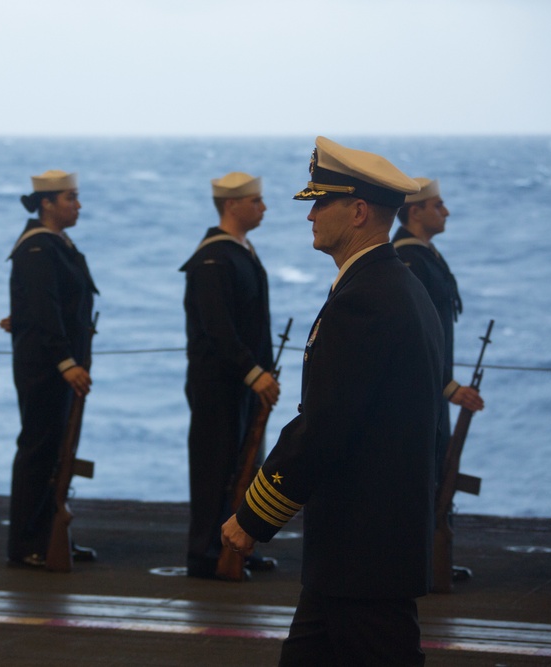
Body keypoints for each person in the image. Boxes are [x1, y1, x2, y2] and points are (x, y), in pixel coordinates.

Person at [222, 137, 445, 666]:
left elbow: (325, 423)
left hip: (363, 551)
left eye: (322, 203)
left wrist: (253, 514)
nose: (311, 215)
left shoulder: (365, 298)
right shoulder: (399, 286)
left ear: (360, 211)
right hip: (358, 551)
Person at [180, 172, 279, 580]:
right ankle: (205, 551)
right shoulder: (213, 258)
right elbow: (218, 329)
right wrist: (254, 372)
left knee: (244, 466)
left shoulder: (240, 251)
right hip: (217, 382)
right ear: (231, 205)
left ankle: (236, 544)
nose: (263, 207)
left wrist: (263, 372)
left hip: (243, 381)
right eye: (255, 201)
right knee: (214, 468)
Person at [0, 169, 99, 568]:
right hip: (47, 367)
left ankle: (48, 531)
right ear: (47, 203)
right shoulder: (39, 246)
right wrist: (66, 362)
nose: (77, 205)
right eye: (70, 198)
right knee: (39, 450)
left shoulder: (56, 243)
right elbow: (46, 309)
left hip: (57, 363)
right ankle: (27, 543)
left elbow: (47, 302)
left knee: (57, 450)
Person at [394, 177, 485, 586]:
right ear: (415, 211)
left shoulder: (425, 257)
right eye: (438, 205)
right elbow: (415, 337)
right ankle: (418, 562)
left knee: (437, 471)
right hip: (417, 393)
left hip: (434, 390)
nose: (445, 211)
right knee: (419, 477)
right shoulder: (408, 260)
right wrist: (449, 387)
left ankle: (429, 558)